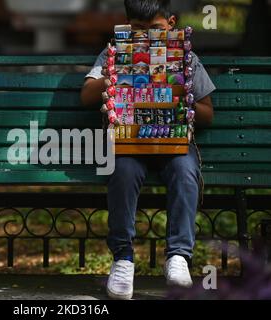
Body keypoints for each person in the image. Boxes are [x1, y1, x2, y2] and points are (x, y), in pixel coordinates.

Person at [81, 0, 216, 300]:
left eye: (154, 29)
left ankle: (179, 256)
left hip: (175, 142)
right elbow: (87, 95)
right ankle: (123, 259)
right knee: (122, 170)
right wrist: (117, 70)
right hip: (129, 143)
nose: (146, 37)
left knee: (185, 173)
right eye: (138, 29)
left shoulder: (186, 57)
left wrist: (183, 93)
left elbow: (208, 113)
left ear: (171, 23)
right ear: (127, 27)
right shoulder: (114, 51)